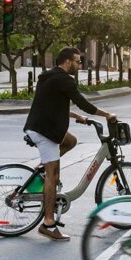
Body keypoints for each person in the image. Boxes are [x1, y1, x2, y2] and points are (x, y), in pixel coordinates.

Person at [23, 47, 116, 241]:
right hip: (45, 132)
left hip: (43, 126)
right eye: (77, 61)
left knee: (71, 141)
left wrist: (76, 116)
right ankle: (48, 223)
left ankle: (42, 167)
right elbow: (84, 103)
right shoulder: (65, 79)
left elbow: (50, 105)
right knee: (53, 175)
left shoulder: (48, 76)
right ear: (67, 62)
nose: (80, 65)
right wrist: (106, 114)